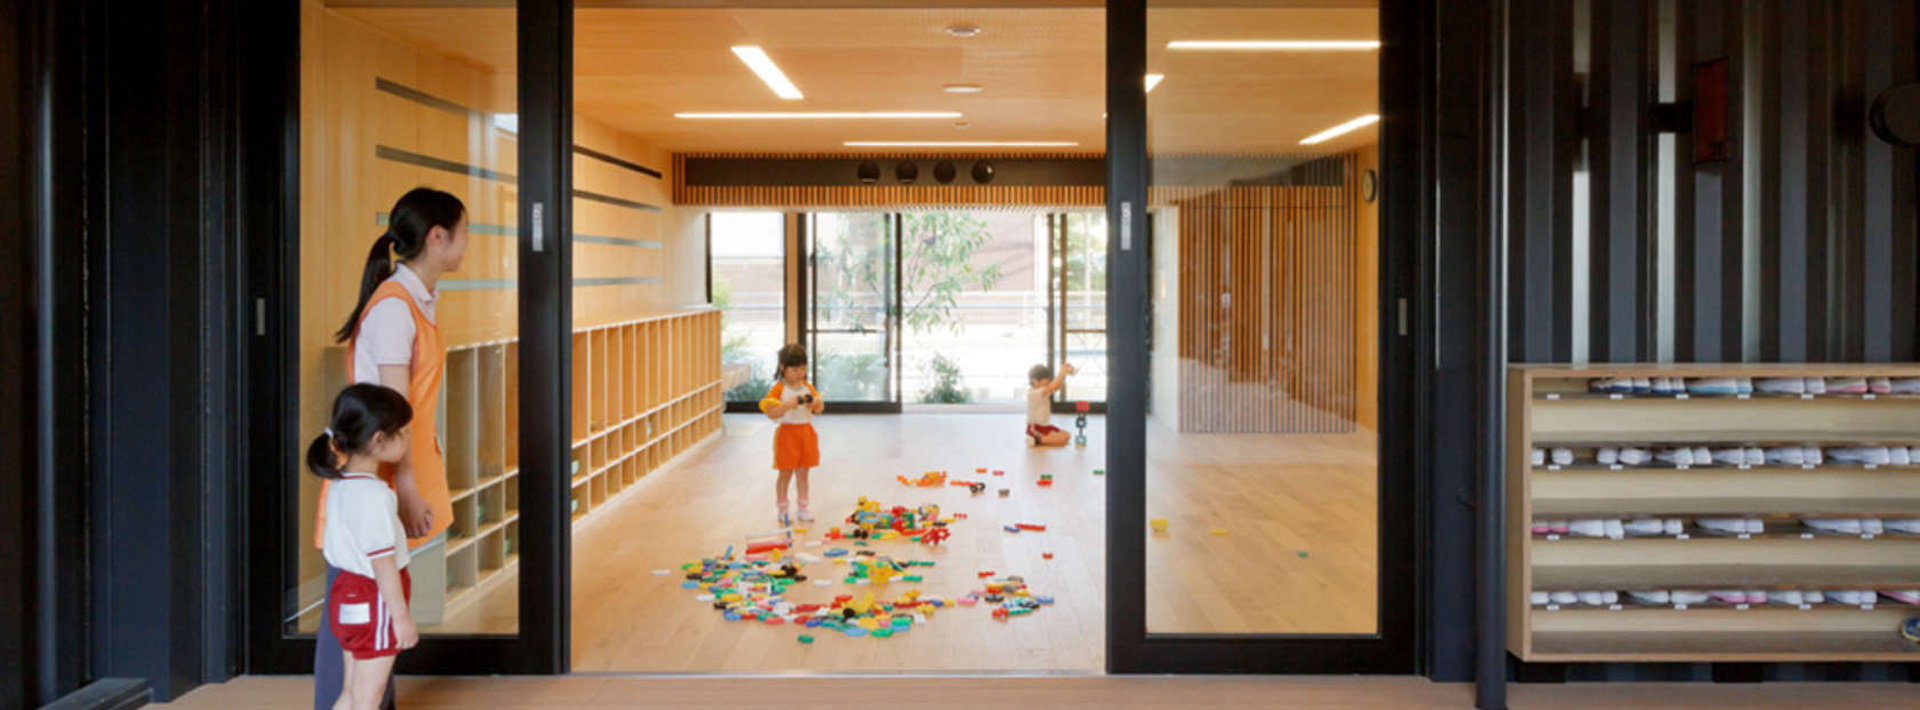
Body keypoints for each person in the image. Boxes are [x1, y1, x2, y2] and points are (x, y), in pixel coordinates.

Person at [314, 187, 467, 710]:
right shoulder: (395, 310)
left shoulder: (412, 301)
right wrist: (406, 487)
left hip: (382, 477)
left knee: (371, 622)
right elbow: (394, 414)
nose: (467, 243)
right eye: (464, 232)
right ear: (437, 237)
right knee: (362, 621)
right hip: (379, 481)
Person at [307, 384, 420, 710]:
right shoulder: (375, 496)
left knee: (352, 692)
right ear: (379, 440)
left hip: (346, 593)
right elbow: (383, 563)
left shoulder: (340, 486)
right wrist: (400, 617)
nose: (407, 438)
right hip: (375, 600)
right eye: (402, 432)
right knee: (368, 698)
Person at [759, 343, 824, 527]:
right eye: (795, 370)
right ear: (783, 368)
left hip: (806, 432)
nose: (799, 373)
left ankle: (803, 507)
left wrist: (815, 403)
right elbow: (771, 412)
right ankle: (782, 509)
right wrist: (789, 404)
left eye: (802, 369)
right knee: (785, 472)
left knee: (803, 472)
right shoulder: (778, 389)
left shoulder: (807, 387)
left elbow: (820, 409)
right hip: (787, 434)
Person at [1026, 362, 1078, 447]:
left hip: (1045, 426)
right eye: (1046, 382)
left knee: (1067, 435)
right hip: (1036, 427)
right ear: (1035, 381)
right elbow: (1052, 387)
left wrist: (1064, 374)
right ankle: (1036, 439)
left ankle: (1041, 438)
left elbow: (1057, 386)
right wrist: (1062, 371)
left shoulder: (1042, 390)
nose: (1048, 383)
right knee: (1062, 440)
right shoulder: (1034, 393)